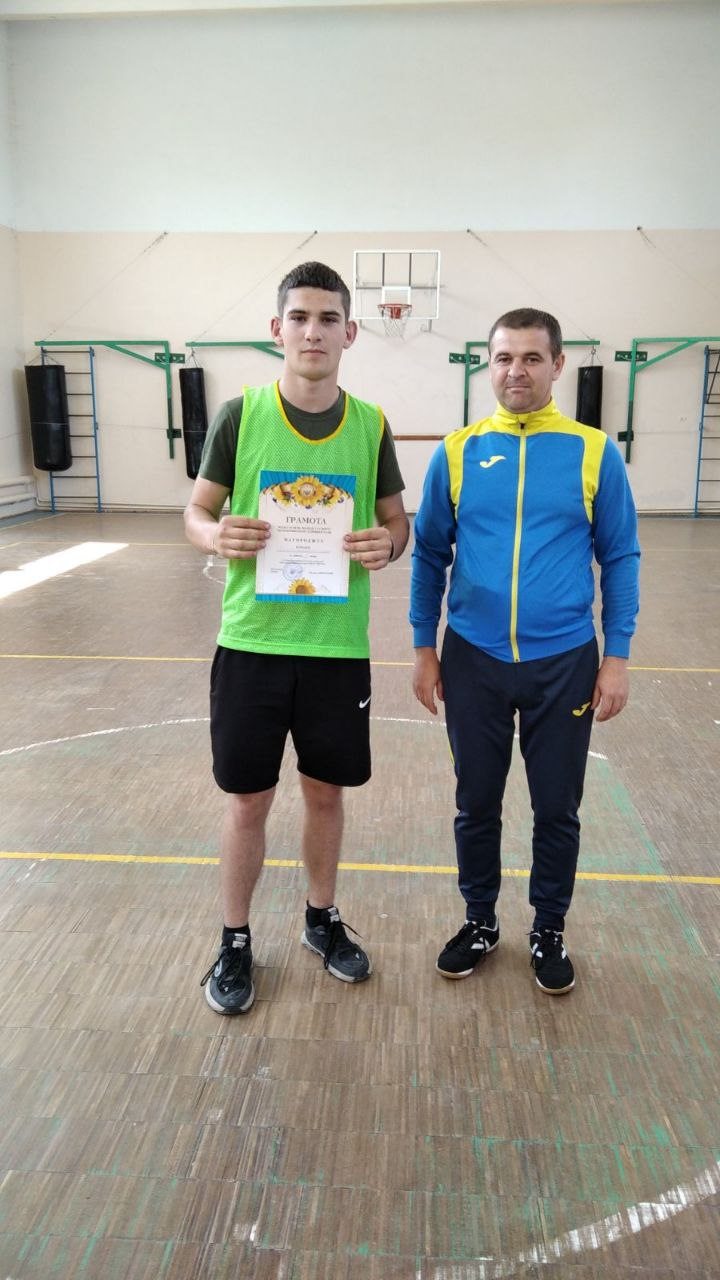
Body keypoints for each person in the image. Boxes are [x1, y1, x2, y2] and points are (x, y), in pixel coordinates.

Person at [184, 261, 409, 1014]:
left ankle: (320, 918)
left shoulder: (370, 423)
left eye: (329, 319)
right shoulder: (239, 415)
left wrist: (388, 543)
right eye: (301, 318)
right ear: (277, 329)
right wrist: (216, 536)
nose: (314, 331)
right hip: (253, 643)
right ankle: (235, 938)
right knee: (248, 802)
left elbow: (396, 520)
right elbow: (196, 513)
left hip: (336, 650)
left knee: (325, 795)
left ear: (351, 332)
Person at [410, 308, 639, 995]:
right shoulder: (456, 452)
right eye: (504, 357)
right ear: (489, 364)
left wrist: (617, 655)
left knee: (557, 808)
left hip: (564, 661)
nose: (517, 371)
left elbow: (620, 556)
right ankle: (480, 920)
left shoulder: (593, 452)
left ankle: (549, 929)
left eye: (532, 357)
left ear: (558, 365)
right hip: (472, 658)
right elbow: (428, 554)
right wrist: (423, 647)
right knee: (476, 802)